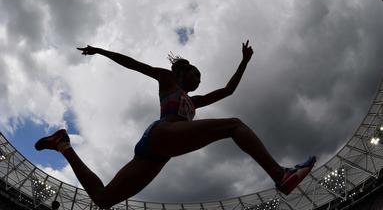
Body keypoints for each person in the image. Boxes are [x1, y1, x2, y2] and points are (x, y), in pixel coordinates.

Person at [35, 40, 315, 209]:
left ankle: (63, 144)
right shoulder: (167, 81)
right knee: (234, 125)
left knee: (104, 199)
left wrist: (243, 62)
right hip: (163, 133)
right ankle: (280, 175)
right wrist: (99, 50)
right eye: (197, 73)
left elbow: (228, 91)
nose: (200, 79)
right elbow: (133, 64)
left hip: (155, 154)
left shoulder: (195, 101)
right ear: (183, 72)